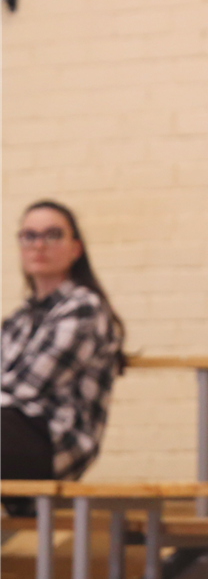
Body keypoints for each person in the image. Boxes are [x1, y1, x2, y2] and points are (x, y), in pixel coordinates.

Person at [1, 200, 126, 504]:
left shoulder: (83, 308)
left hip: (53, 443)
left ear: (75, 248)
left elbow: (26, 387)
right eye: (29, 236)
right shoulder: (18, 319)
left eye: (53, 234)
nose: (39, 245)